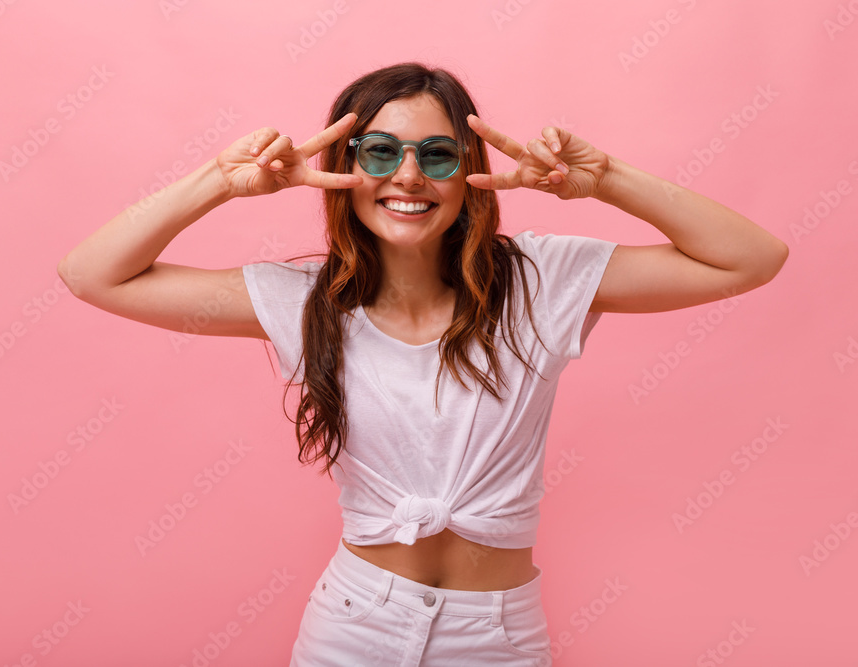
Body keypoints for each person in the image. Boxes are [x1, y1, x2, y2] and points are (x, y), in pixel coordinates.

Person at [57, 62, 787, 665]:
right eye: (380, 151)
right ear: (346, 167)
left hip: (496, 636)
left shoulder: (542, 279)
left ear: (468, 173)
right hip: (352, 627)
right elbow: (93, 274)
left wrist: (605, 178)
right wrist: (220, 179)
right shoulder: (302, 301)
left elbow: (752, 258)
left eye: (436, 155)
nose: (408, 175)